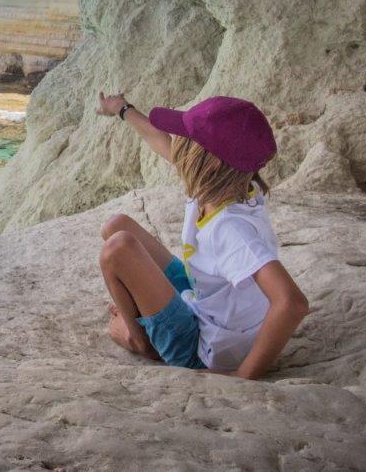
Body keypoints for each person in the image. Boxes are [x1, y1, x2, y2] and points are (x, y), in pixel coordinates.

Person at [94, 93, 309, 379]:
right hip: (203, 300)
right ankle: (146, 317)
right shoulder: (229, 185)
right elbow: (160, 141)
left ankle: (140, 341)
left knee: (117, 248)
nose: (175, 141)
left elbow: (292, 302)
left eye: (184, 138)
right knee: (116, 225)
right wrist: (122, 109)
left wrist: (242, 377)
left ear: (200, 161)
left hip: (200, 348)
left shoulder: (230, 228)